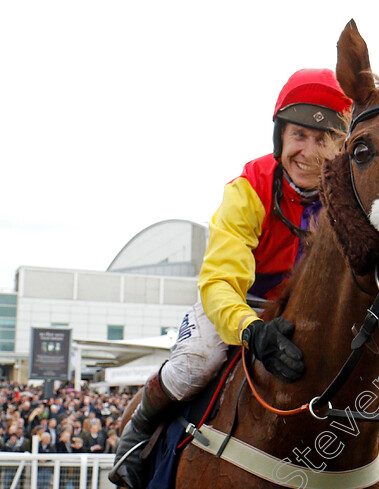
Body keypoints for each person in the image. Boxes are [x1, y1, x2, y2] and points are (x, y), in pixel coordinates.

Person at [108, 68, 352, 488]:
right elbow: (220, 280)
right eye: (299, 136)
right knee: (196, 361)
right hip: (241, 305)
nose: (309, 151)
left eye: (324, 138)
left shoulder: (351, 197)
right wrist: (252, 331)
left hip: (305, 313)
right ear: (280, 138)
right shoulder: (249, 188)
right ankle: (137, 434)